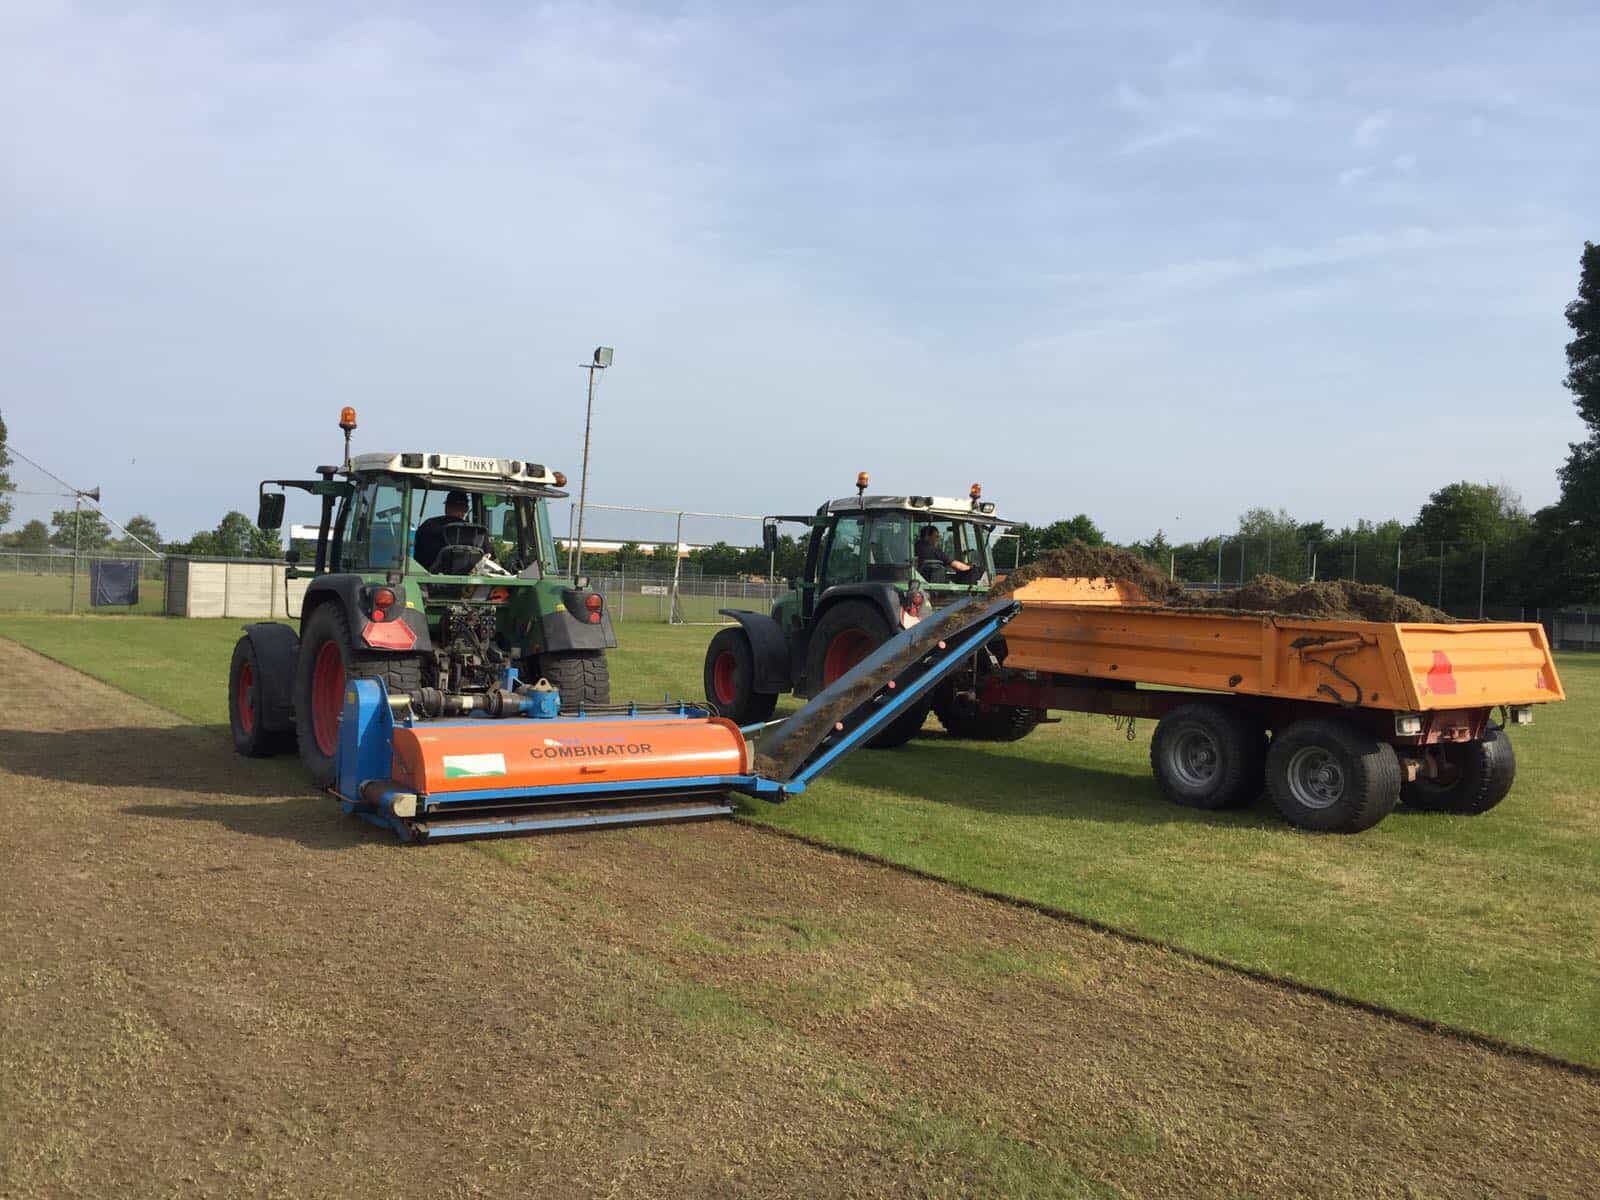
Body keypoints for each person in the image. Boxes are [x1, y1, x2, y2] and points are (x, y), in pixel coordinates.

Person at [413, 490, 483, 572]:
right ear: (466, 509)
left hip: (429, 579)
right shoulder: (478, 531)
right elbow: (489, 558)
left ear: (446, 507)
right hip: (469, 581)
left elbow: (418, 555)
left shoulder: (428, 526)